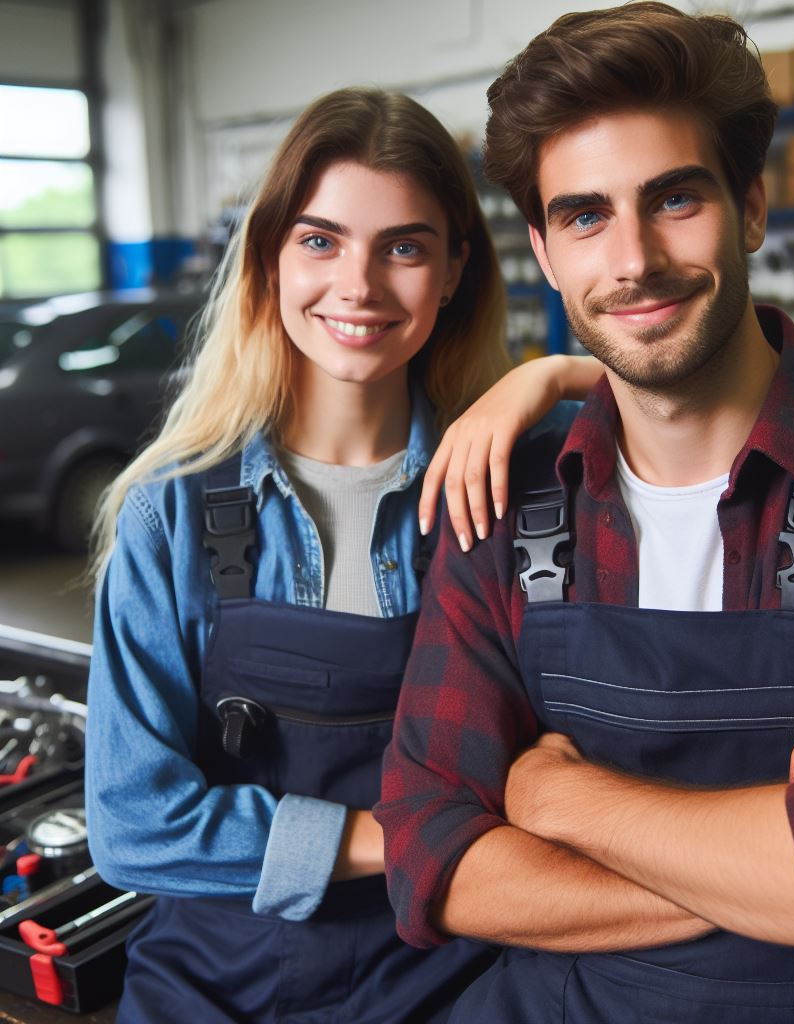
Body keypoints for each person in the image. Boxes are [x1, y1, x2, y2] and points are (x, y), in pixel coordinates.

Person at [376, 6, 794, 1022]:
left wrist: (554, 800)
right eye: (585, 215)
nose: (632, 259)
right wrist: (781, 851)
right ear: (546, 254)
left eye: (674, 197)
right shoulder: (507, 499)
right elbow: (429, 859)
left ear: (751, 207)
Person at [83, 86, 603, 1023]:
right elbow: (132, 825)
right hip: (215, 981)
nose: (358, 285)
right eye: (320, 240)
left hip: (450, 974)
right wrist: (397, 838)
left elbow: (701, 385)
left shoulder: (522, 473)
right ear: (271, 260)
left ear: (453, 271)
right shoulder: (170, 516)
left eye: (403, 246)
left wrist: (550, 375)